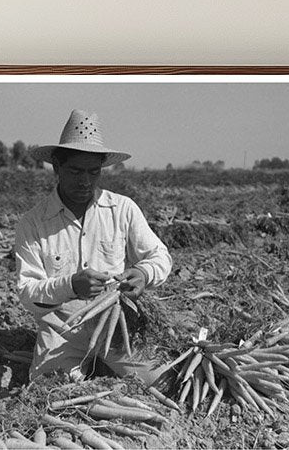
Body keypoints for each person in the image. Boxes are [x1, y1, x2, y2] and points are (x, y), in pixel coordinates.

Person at [15, 109, 172, 380]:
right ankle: (93, 366)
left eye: (93, 172)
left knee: (161, 380)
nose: (85, 181)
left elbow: (160, 256)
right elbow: (28, 292)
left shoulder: (122, 209)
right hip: (62, 328)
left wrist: (144, 274)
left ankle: (104, 364)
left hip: (116, 324)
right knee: (48, 390)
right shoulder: (33, 224)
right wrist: (71, 286)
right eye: (75, 171)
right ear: (56, 166)